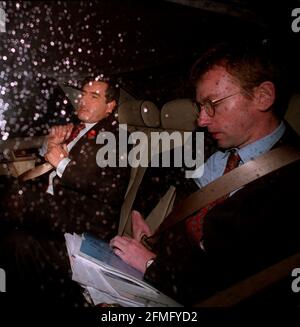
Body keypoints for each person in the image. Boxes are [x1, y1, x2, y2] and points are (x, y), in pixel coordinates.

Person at [110, 41, 300, 305]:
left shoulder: (290, 184)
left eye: (212, 104)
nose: (201, 119)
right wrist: (140, 215)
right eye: (200, 106)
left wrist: (152, 266)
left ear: (263, 96)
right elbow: (160, 166)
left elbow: (233, 282)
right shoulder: (210, 140)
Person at [0, 76, 131, 307]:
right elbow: (49, 166)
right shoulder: (76, 129)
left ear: (110, 107)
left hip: (81, 220)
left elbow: (111, 189)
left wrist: (62, 163)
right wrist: (50, 146)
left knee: (12, 196)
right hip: (55, 209)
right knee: (15, 241)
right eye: (83, 94)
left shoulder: (116, 137)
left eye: (94, 97)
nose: (83, 100)